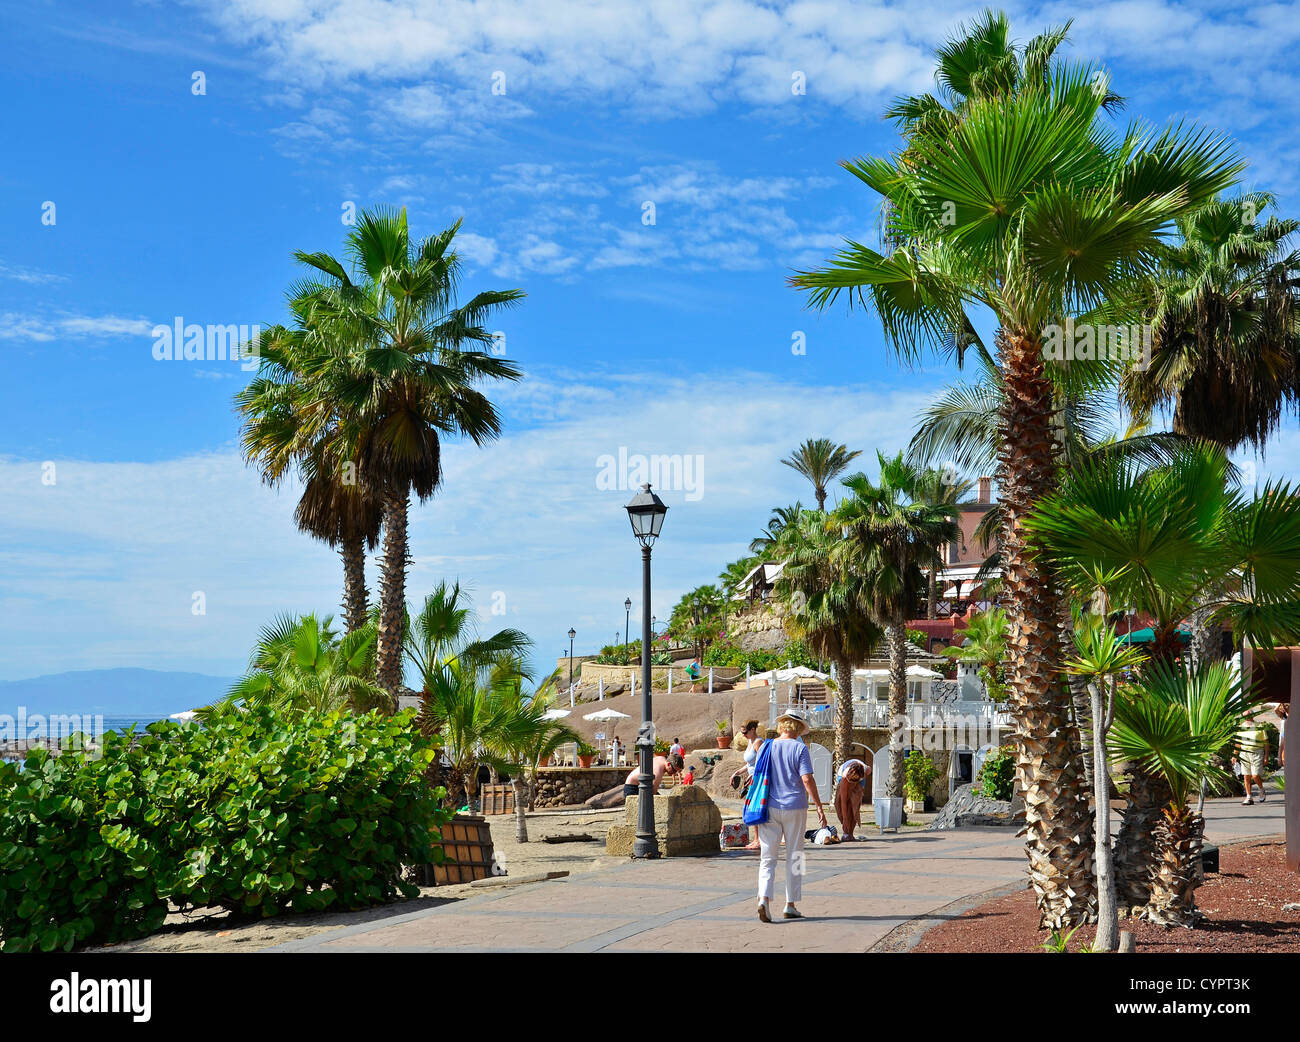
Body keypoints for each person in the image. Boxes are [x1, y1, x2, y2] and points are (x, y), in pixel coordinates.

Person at [755, 710, 827, 923]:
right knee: (795, 856)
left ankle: (764, 899)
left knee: (767, 857)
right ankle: (790, 904)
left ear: (782, 726)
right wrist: (819, 807)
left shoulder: (767, 747)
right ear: (797, 728)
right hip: (795, 807)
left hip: (769, 806)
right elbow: (806, 779)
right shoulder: (799, 748)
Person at [1233, 711, 1270, 805]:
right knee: (1246, 775)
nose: (1247, 717)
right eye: (1245, 716)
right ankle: (1249, 797)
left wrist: (1266, 756)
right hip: (1244, 753)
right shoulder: (1241, 728)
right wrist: (1234, 755)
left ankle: (1261, 789)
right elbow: (1238, 743)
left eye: (1249, 715)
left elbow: (1266, 743)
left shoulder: (1259, 726)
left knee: (1255, 775)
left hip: (1257, 752)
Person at [834, 759, 871, 841]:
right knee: (839, 803)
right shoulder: (844, 776)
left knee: (854, 805)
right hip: (844, 778)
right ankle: (846, 831)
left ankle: (850, 833)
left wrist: (858, 788)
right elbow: (843, 801)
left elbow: (866, 771)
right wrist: (845, 820)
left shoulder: (867, 770)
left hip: (860, 778)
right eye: (852, 780)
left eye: (855, 779)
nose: (852, 783)